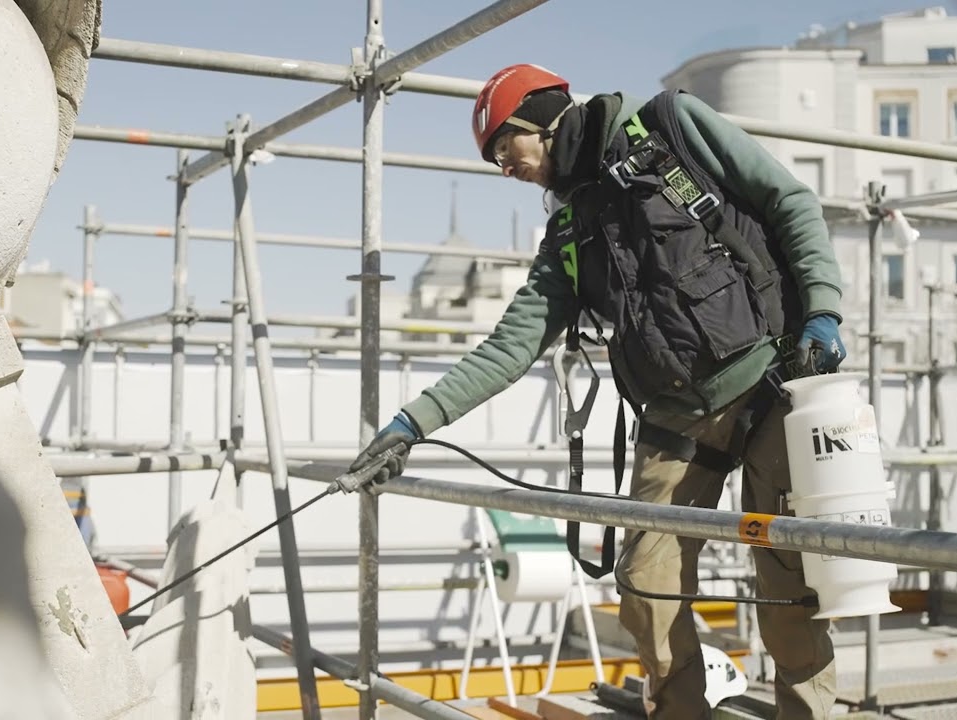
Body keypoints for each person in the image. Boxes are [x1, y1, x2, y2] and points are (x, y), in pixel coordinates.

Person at [349, 64, 846, 719]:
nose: (505, 168)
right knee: (645, 584)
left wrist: (823, 309)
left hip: (769, 381)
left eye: (504, 147)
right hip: (675, 415)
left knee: (787, 581)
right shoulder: (569, 236)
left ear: (539, 120)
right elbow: (509, 347)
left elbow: (789, 200)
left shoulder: (672, 127)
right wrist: (412, 423)